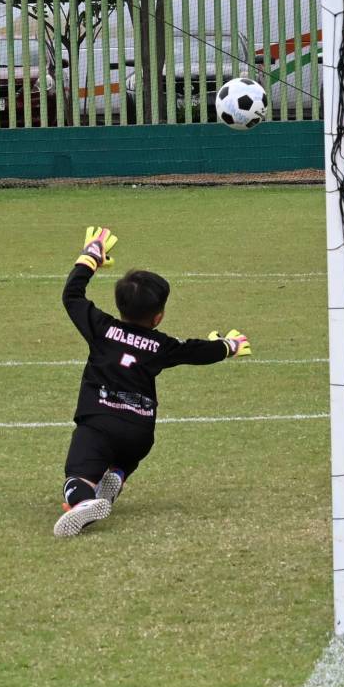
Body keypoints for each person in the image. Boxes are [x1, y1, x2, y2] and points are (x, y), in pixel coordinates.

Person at [55, 226, 250, 537]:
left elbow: (72, 295)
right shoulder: (162, 346)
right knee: (125, 455)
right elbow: (197, 351)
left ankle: (81, 502)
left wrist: (91, 256)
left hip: (99, 423)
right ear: (158, 317)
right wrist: (229, 345)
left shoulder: (101, 329)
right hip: (139, 433)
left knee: (77, 475)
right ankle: (118, 473)